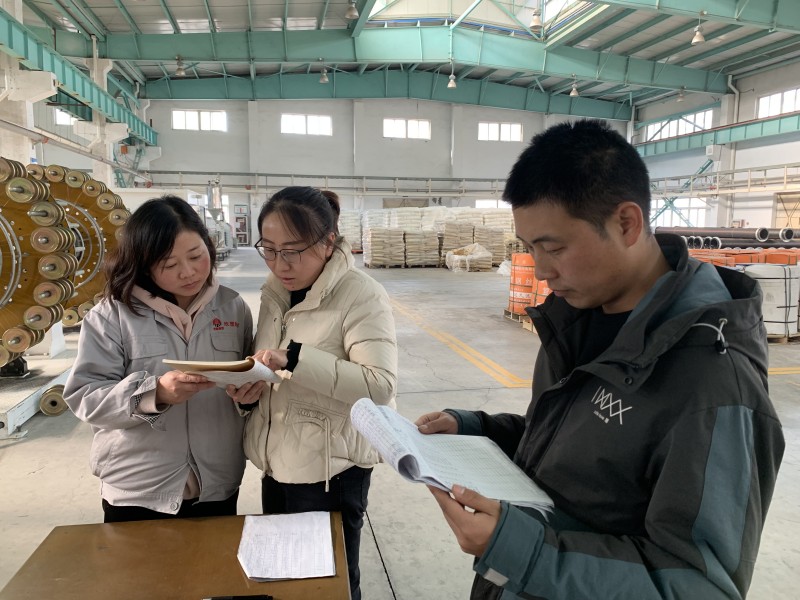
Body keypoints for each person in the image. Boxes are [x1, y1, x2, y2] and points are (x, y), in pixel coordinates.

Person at [415, 120, 784, 599]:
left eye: (554, 248)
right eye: (529, 249)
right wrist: (476, 430)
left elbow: (701, 585)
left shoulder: (713, 384)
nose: (541, 271)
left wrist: (523, 553)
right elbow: (572, 445)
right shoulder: (580, 319)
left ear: (626, 223)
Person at [228, 186, 397, 600]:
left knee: (330, 585)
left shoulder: (361, 294)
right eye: (269, 250)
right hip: (277, 463)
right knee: (284, 579)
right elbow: (271, 369)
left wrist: (296, 359)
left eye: (293, 250)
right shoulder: (275, 291)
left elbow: (379, 385)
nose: (280, 264)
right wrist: (251, 393)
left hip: (330, 472)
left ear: (328, 242)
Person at [64, 196, 253, 522]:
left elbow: (247, 378)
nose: (188, 272)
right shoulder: (113, 315)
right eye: (169, 264)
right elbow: (85, 396)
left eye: (196, 256)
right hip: (139, 489)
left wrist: (249, 394)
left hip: (217, 485)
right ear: (143, 264)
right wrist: (156, 393)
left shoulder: (232, 307)